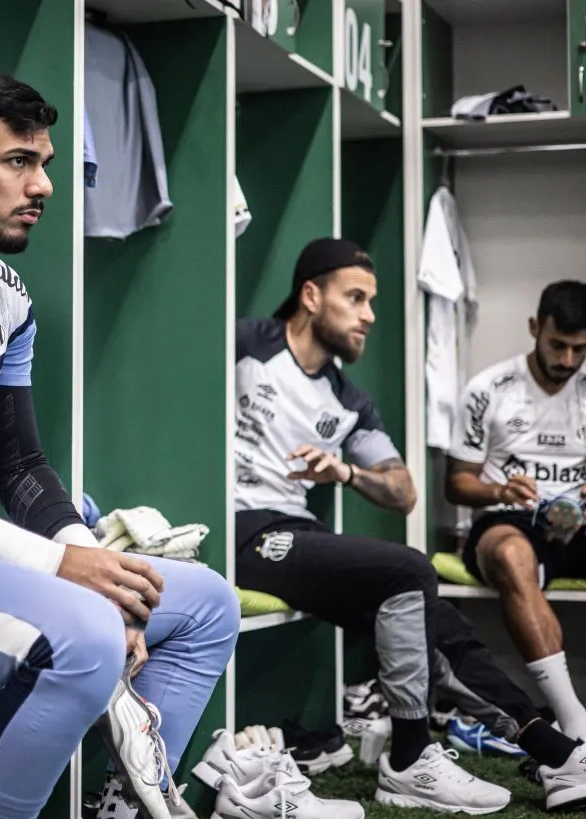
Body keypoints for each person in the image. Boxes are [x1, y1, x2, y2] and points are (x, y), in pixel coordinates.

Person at [0, 72, 239, 819]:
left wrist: (92, 565)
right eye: (19, 161)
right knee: (86, 636)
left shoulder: (8, 295)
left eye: (46, 163)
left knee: (207, 605)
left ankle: (122, 808)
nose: (45, 185)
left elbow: (20, 464)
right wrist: (62, 567)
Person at [234, 238, 586, 813]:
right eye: (356, 298)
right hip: (243, 530)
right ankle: (409, 756)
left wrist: (347, 471)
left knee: (438, 620)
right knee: (408, 569)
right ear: (311, 296)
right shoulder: (248, 344)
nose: (370, 315)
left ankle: (559, 754)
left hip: (297, 533)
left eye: (371, 301)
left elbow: (403, 491)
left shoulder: (348, 399)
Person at [446, 280, 586, 744]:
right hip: (509, 519)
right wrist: (500, 490)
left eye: (580, 349)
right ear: (534, 328)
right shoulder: (489, 389)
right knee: (511, 554)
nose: (567, 360)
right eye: (558, 345)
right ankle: (573, 723)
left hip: (578, 520)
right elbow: (457, 483)